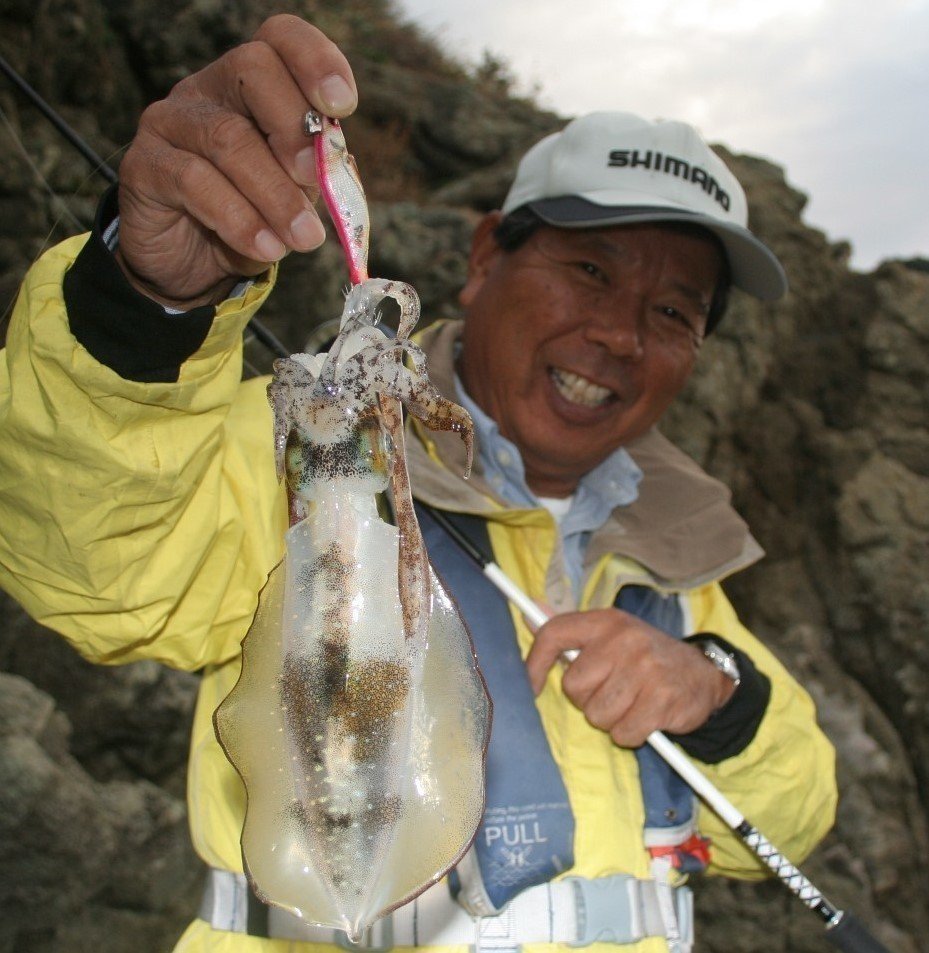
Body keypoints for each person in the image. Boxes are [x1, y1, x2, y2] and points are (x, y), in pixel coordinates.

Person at [0, 14, 836, 953]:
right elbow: (96, 569)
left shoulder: (678, 547)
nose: (618, 333)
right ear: (485, 259)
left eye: (673, 310)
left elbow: (785, 818)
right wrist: (145, 307)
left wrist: (719, 694)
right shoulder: (282, 457)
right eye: (590, 271)